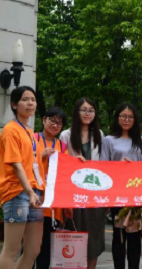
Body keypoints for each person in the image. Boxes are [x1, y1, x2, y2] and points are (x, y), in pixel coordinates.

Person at [0, 86, 45, 269]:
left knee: (33, 250)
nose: (30, 103)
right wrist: (29, 192)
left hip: (34, 192)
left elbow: (30, 161)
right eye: (25, 100)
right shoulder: (10, 130)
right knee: (11, 249)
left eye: (33, 100)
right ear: (14, 105)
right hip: (17, 192)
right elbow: (16, 165)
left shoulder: (29, 131)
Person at [101, 102, 142, 269]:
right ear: (117, 118)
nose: (126, 120)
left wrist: (133, 167)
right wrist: (119, 165)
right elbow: (103, 166)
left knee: (135, 236)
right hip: (117, 193)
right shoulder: (108, 140)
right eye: (123, 116)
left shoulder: (140, 141)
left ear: (135, 120)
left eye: (130, 117)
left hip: (135, 194)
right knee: (119, 235)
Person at [59, 98, 106, 269]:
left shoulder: (99, 135)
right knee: (74, 238)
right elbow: (62, 166)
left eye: (91, 110)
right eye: (84, 110)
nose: (87, 114)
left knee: (94, 239)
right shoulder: (66, 135)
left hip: (94, 195)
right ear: (76, 112)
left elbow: (104, 164)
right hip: (74, 194)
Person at [35, 107, 69, 269]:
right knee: (30, 247)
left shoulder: (62, 146)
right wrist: (40, 156)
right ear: (44, 120)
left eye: (59, 123)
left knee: (46, 248)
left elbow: (67, 173)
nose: (55, 125)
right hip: (34, 201)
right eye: (52, 121)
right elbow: (22, 163)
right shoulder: (33, 139)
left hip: (53, 206)